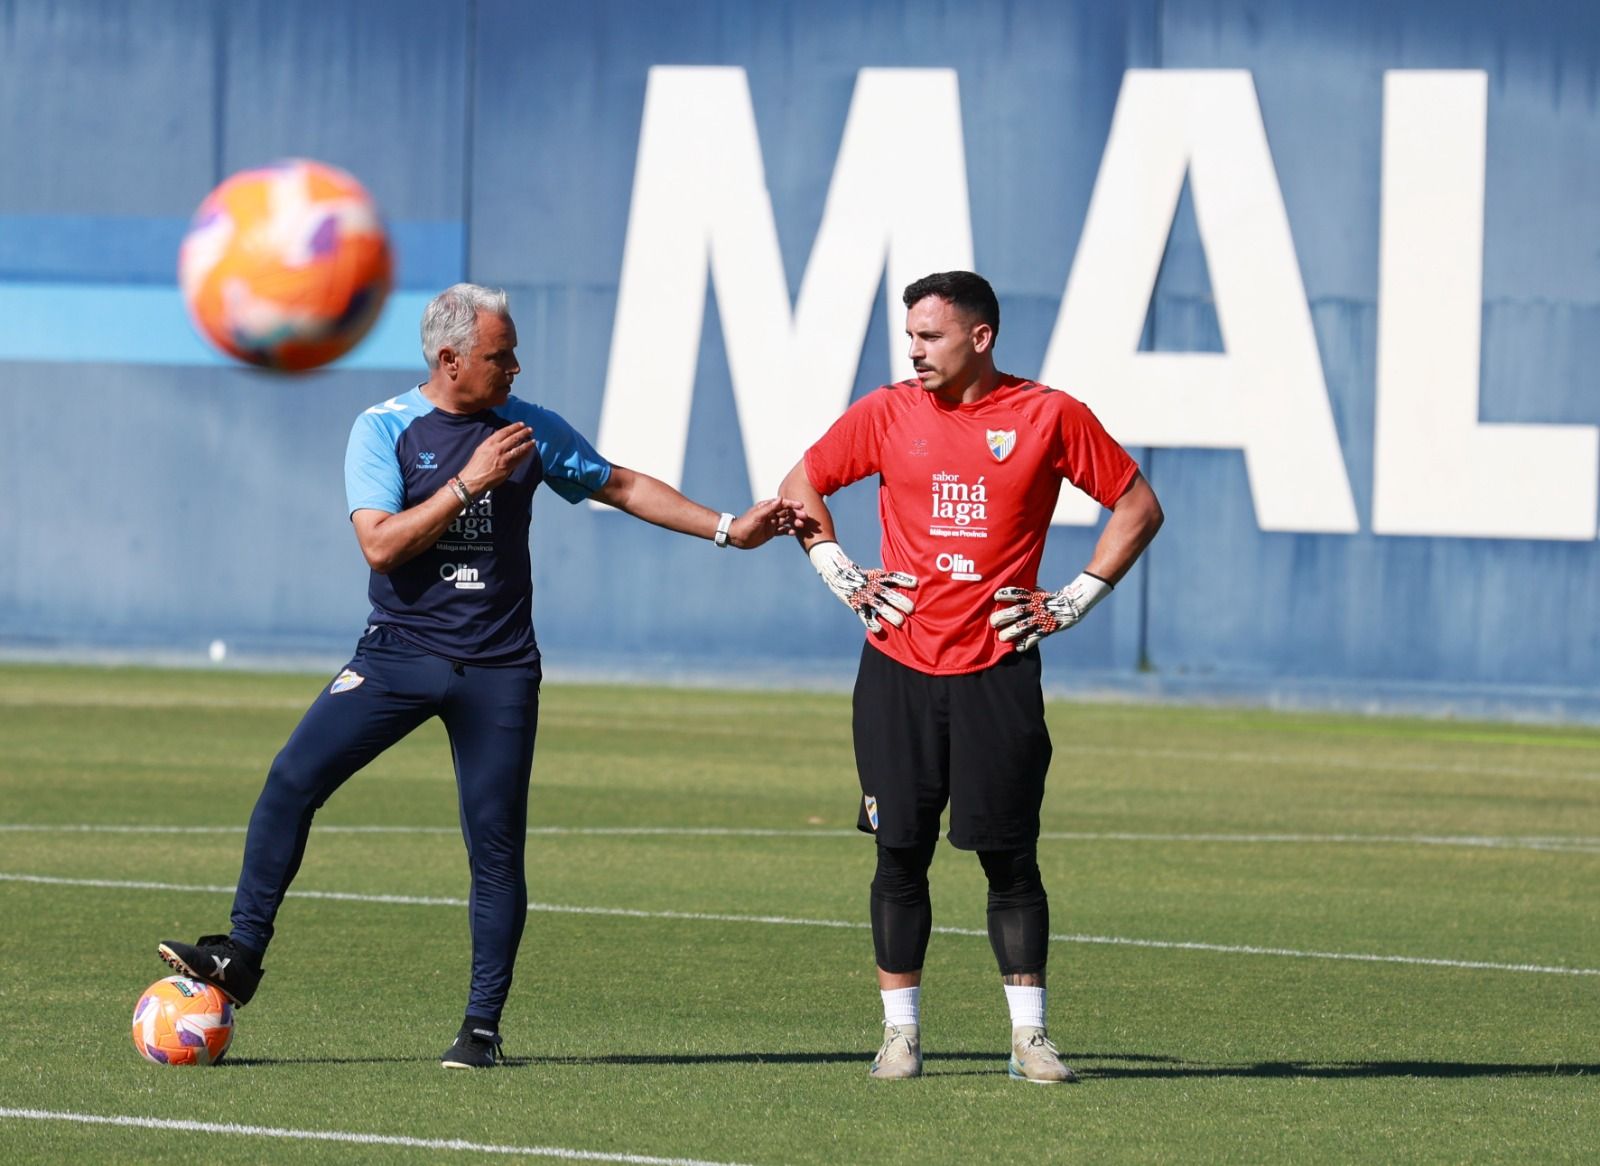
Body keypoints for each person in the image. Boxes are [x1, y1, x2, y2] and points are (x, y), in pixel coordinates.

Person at [159, 283, 802, 1069]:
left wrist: (730, 529)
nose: (515, 367)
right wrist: (468, 481)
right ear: (450, 359)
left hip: (497, 671)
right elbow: (381, 546)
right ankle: (240, 953)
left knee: (495, 850)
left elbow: (621, 484)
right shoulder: (383, 429)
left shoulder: (526, 432)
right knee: (292, 777)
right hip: (395, 657)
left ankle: (481, 1031)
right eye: (501, 356)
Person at [778, 270, 1162, 1083]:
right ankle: (900, 1036)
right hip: (897, 669)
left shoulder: (1049, 415)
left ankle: (1030, 1040)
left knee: (1009, 857)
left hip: (999, 670)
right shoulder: (887, 411)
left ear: (979, 337)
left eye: (930, 336)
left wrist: (1073, 600)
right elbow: (799, 484)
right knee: (899, 855)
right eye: (910, 334)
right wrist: (840, 571)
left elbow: (1138, 506)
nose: (913, 350)